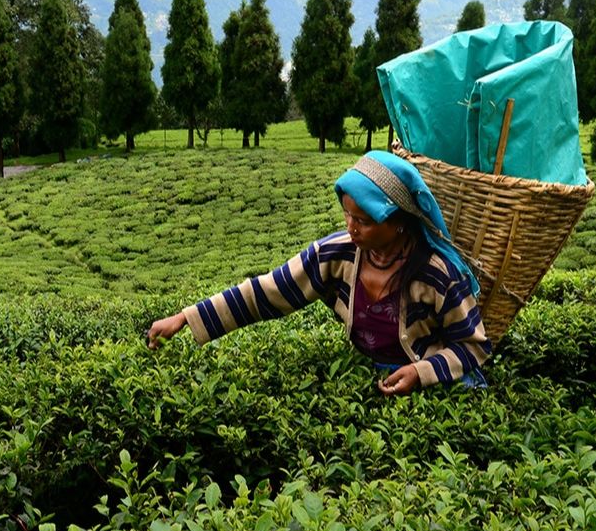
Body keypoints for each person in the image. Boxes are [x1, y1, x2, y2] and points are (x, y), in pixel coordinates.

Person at [146, 150, 491, 396]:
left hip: (437, 383)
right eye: (347, 215)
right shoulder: (336, 254)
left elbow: (473, 347)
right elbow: (267, 293)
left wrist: (420, 372)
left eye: (364, 221)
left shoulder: (438, 273)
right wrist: (185, 318)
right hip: (371, 378)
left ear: (398, 222)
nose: (351, 228)